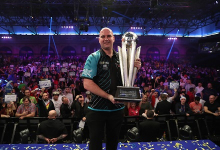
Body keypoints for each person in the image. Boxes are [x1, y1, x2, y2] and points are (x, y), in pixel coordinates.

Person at [81, 27, 141, 150]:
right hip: (97, 109)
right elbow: (87, 83)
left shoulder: (122, 58)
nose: (106, 39)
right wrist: (108, 96)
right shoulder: (93, 57)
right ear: (99, 40)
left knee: (113, 144)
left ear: (114, 38)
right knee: (95, 144)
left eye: (109, 36)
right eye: (103, 36)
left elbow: (126, 80)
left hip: (116, 109)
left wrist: (135, 68)